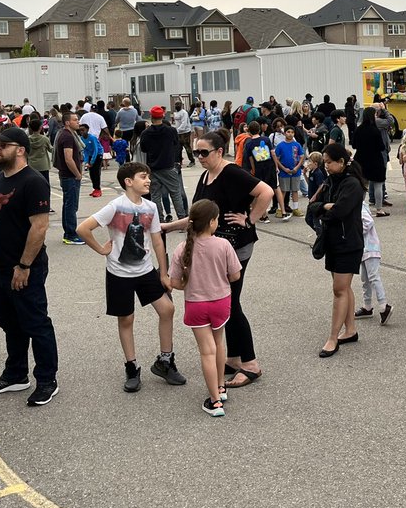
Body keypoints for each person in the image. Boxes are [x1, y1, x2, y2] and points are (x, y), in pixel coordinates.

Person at [165, 130, 272, 389]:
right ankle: (233, 357)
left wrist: (250, 219)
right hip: (216, 246)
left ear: (219, 152)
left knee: (231, 303)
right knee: (227, 304)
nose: (199, 157)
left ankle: (250, 364)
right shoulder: (206, 175)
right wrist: (166, 227)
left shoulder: (232, 172)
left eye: (204, 152)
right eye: (195, 152)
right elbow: (196, 217)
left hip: (234, 247)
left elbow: (266, 192)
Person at [76, 162, 187, 393]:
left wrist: (164, 273)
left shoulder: (151, 207)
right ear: (128, 181)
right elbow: (83, 229)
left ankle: (165, 362)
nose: (148, 181)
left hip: (145, 271)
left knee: (167, 310)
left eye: (148, 177)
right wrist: (101, 249)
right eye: (143, 177)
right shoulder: (115, 206)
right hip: (119, 273)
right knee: (126, 319)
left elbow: (157, 240)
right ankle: (131, 366)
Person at [0, 126, 57, 407]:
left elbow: (40, 227)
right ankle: (15, 374)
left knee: (35, 323)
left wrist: (24, 265)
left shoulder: (33, 181)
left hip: (25, 268)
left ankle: (47, 379)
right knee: (10, 324)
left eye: (3, 145)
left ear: (20, 150)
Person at [167, 199, 239, 417]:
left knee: (206, 351)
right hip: (221, 302)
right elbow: (235, 275)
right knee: (219, 343)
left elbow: (175, 283)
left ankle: (214, 402)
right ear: (211, 222)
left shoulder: (182, 249)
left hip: (196, 306)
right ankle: (220, 387)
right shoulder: (224, 245)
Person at [313, 143, 365, 357]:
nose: (326, 166)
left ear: (341, 162)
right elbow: (314, 204)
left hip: (348, 242)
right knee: (344, 288)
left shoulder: (351, 184)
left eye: (328, 162)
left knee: (339, 289)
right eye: (324, 162)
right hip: (333, 241)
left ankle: (333, 337)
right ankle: (350, 329)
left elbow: (340, 211)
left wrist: (324, 209)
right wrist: (324, 206)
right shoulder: (330, 181)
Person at [139, 106, 186, 223]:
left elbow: (144, 149)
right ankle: (181, 219)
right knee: (175, 194)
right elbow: (176, 144)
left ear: (151, 116)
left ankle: (159, 220)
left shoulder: (146, 133)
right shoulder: (171, 131)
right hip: (169, 166)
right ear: (163, 116)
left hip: (153, 167)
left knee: (155, 195)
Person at [354, 202, 392, 324]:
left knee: (373, 277)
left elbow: (368, 222)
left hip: (370, 247)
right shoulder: (356, 205)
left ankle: (383, 305)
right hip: (363, 249)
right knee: (365, 278)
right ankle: (367, 306)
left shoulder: (358, 206)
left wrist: (355, 232)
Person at [52, 112, 85, 244]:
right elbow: (68, 158)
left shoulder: (66, 134)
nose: (78, 122)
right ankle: (71, 234)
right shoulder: (67, 137)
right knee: (71, 206)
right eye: (75, 120)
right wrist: (77, 174)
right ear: (67, 122)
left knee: (68, 204)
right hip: (70, 176)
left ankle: (69, 232)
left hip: (67, 175)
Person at [352, 107, 388, 216]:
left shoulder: (359, 129)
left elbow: (354, 145)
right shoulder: (375, 130)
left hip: (361, 159)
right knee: (378, 185)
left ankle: (360, 207)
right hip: (375, 159)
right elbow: (381, 147)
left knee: (362, 185)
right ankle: (379, 209)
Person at [273, 126, 304, 219]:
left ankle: (295, 208)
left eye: (292, 132)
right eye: (288, 132)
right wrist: (283, 168)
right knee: (283, 190)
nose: (290, 134)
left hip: (295, 171)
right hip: (284, 172)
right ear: (285, 133)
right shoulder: (280, 145)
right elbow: (276, 159)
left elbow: (301, 156)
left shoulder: (297, 145)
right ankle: (280, 208)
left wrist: (297, 167)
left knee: (295, 190)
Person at [172, 100, 195, 166]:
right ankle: (179, 161)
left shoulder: (184, 113)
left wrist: (178, 130)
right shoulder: (176, 113)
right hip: (178, 133)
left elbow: (184, 123)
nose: (177, 106)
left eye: (178, 104)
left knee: (187, 147)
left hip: (185, 132)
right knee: (178, 147)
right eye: (176, 104)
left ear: (181, 105)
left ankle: (192, 160)